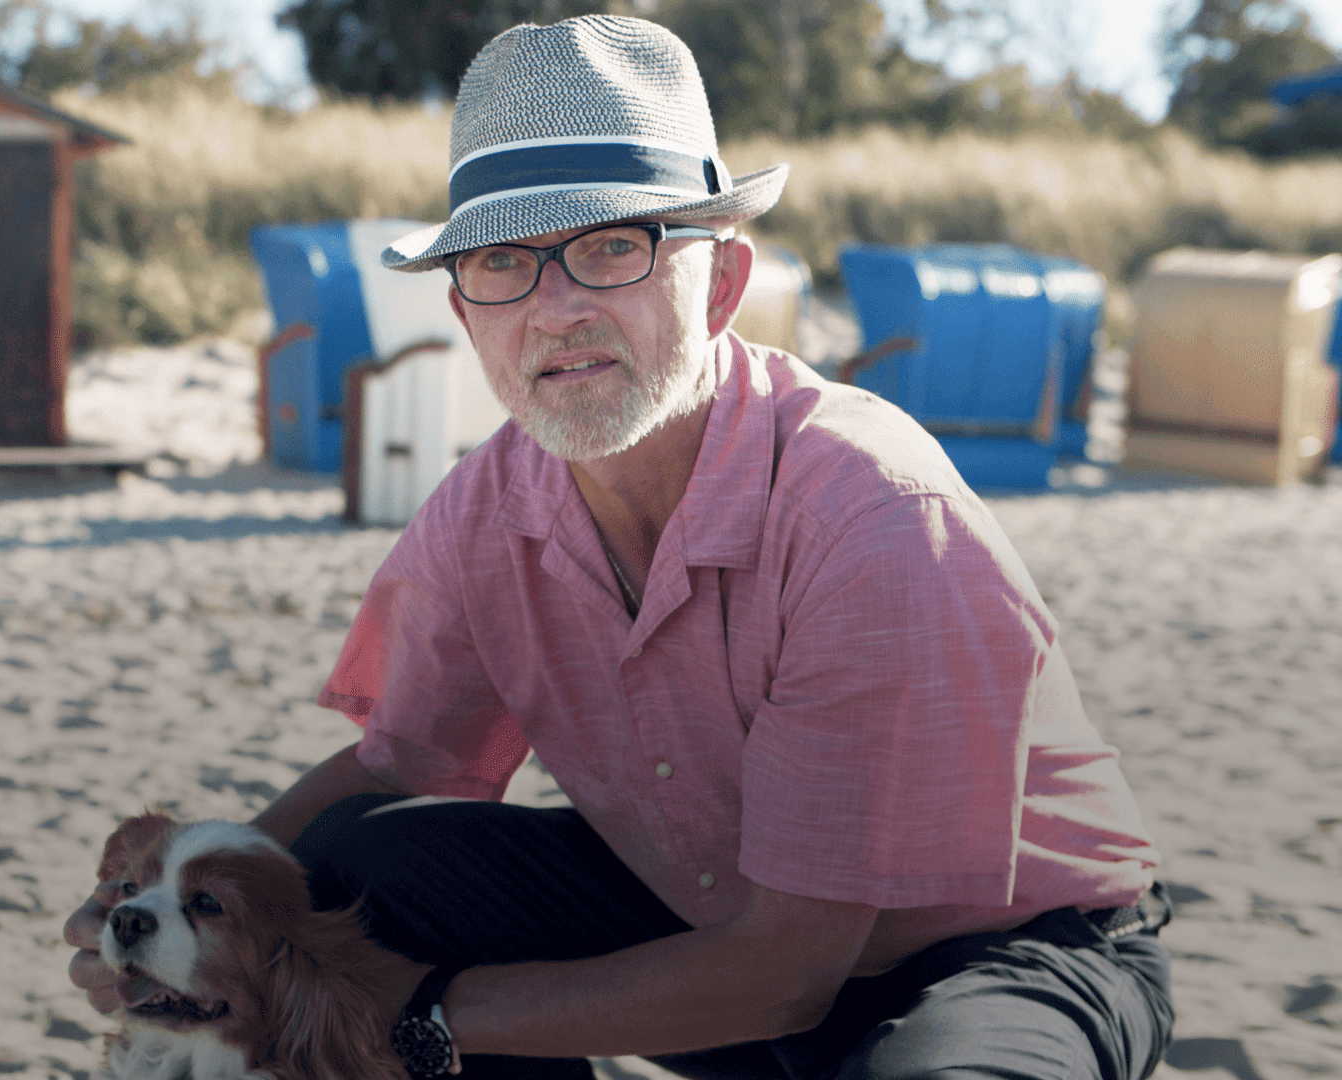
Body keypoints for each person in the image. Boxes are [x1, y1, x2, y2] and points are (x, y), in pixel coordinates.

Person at [67, 14, 1173, 1080]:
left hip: (995, 955)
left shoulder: (872, 517)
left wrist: (417, 1020)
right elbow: (396, 761)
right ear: (466, 318)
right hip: (700, 919)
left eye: (612, 247)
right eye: (503, 263)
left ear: (724, 284)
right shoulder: (487, 509)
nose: (555, 310)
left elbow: (789, 971)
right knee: (360, 861)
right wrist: (170, 905)